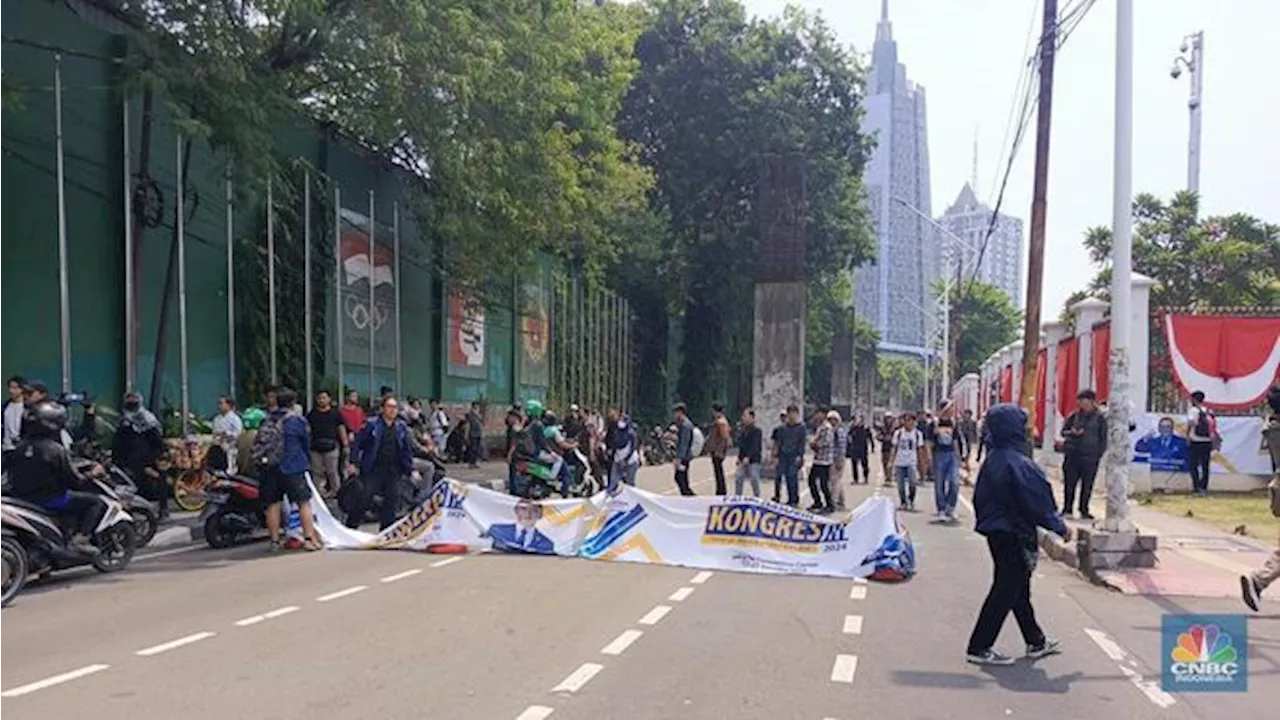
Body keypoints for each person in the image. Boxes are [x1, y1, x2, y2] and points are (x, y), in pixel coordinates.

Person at [965, 403, 1071, 665]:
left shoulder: (993, 460)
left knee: (1017, 589)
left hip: (996, 531)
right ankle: (979, 646)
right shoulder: (1018, 464)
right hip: (1014, 533)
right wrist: (1061, 527)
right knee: (1006, 589)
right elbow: (1037, 504)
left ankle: (1035, 640)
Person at [0, 401, 105, 553]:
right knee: (95, 502)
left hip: (20, 498)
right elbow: (75, 481)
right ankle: (80, 540)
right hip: (50, 500)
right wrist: (93, 474)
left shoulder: (18, 448)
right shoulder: (55, 450)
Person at [254, 388, 322, 551]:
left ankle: (274, 541)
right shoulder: (298, 421)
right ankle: (308, 539)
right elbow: (306, 443)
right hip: (294, 467)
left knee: (273, 504)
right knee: (303, 503)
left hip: (270, 468)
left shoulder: (267, 420)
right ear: (292, 403)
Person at [347, 394, 416, 530]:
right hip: (374, 468)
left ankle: (386, 532)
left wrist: (411, 469)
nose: (392, 410)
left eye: (395, 407)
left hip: (394, 468)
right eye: (389, 407)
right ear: (383, 408)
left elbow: (406, 450)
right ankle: (351, 526)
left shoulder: (401, 427)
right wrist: (353, 462)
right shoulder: (372, 424)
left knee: (392, 500)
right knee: (365, 497)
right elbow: (357, 444)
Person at [114, 391, 169, 518]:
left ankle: (163, 509)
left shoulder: (147, 418)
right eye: (129, 400)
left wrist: (160, 455)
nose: (131, 403)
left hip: (148, 457)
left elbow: (156, 438)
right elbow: (119, 440)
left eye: (133, 400)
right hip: (129, 458)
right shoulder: (124, 418)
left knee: (160, 479)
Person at [1060, 389, 1107, 518]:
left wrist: (1098, 454)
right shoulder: (1074, 416)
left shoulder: (1100, 418)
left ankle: (1084, 510)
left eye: (1083, 401)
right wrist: (1072, 433)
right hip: (1072, 455)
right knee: (1069, 484)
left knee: (1087, 486)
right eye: (1079, 401)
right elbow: (1063, 432)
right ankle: (1067, 509)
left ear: (1091, 401)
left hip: (1090, 457)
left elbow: (1103, 438)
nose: (1081, 404)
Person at [306, 390, 348, 499]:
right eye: (319, 398)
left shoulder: (335, 413)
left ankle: (337, 493)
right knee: (316, 472)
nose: (321, 400)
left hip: (331, 447)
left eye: (324, 398)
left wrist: (345, 444)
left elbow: (341, 428)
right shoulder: (312, 414)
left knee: (332, 472)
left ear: (329, 399)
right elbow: (307, 430)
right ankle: (318, 493)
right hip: (315, 447)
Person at [930, 401, 967, 522]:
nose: (952, 410)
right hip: (939, 454)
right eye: (950, 408)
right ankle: (941, 508)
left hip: (951, 455)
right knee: (939, 483)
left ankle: (950, 506)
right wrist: (929, 458)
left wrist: (960, 457)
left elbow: (956, 441)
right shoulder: (934, 423)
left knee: (955, 482)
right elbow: (929, 442)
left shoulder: (953, 423)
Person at [486, 498, 555, 554]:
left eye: (534, 510)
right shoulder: (497, 531)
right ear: (516, 511)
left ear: (540, 514)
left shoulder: (546, 543)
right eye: (524, 509)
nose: (528, 514)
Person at [1186, 390, 1217, 496]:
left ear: (1194, 399)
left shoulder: (1194, 410)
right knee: (1205, 465)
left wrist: (1187, 435)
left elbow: (1191, 423)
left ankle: (1196, 487)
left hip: (1196, 440)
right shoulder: (1208, 410)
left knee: (1193, 465)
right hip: (1207, 441)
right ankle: (1203, 488)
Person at [891, 413, 925, 511]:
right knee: (900, 484)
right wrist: (891, 461)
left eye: (910, 420)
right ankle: (903, 502)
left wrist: (921, 463)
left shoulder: (918, 434)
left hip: (912, 461)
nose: (908, 423)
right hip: (900, 461)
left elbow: (919, 449)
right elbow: (894, 447)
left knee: (912, 482)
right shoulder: (898, 433)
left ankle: (911, 499)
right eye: (906, 420)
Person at [776, 405, 806, 507]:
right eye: (790, 413)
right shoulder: (783, 428)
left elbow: (801, 443)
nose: (792, 416)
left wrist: (800, 455)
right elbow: (779, 442)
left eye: (794, 413)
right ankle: (789, 499)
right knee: (786, 477)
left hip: (794, 455)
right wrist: (776, 455)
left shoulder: (801, 428)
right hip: (784, 456)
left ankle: (794, 499)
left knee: (792, 476)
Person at [605, 408, 640, 492]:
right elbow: (612, 444)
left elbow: (633, 448)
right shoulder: (615, 432)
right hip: (618, 460)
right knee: (612, 483)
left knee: (630, 485)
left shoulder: (631, 434)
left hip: (631, 461)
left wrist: (625, 460)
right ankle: (609, 501)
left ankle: (631, 502)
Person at [808, 410, 834, 513]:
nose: (816, 415)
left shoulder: (827, 427)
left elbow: (826, 442)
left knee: (823, 483)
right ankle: (817, 502)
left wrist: (815, 444)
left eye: (818, 413)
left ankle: (829, 504)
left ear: (823, 414)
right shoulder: (820, 426)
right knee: (811, 480)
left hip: (825, 460)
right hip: (818, 459)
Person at [211, 395, 244, 474]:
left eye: (221, 403)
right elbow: (214, 432)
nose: (219, 406)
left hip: (230, 447)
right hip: (218, 446)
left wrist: (226, 434)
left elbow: (239, 433)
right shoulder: (216, 419)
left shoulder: (235, 419)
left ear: (229, 405)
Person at [735, 408, 763, 497]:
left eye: (745, 416)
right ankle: (738, 497)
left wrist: (748, 457)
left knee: (754, 479)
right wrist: (739, 458)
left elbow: (755, 446)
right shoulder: (743, 431)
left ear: (752, 417)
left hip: (754, 460)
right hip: (743, 459)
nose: (743, 418)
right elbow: (741, 446)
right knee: (738, 477)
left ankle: (757, 497)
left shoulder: (757, 431)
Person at [706, 404, 732, 495]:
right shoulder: (719, 421)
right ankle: (720, 490)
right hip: (716, 450)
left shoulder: (721, 422)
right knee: (717, 471)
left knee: (719, 472)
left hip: (717, 451)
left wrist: (719, 451)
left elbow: (724, 437)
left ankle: (721, 491)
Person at [672, 403, 696, 496]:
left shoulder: (686, 425)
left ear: (681, 412)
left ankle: (690, 498)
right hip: (684, 456)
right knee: (680, 478)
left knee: (681, 478)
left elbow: (684, 443)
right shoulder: (683, 424)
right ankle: (687, 496)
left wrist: (679, 458)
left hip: (684, 457)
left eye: (676, 413)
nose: (674, 415)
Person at [1, 375, 26, 459]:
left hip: (23, 449)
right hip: (6, 449)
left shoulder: (28, 408)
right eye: (10, 387)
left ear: (22, 389)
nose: (11, 391)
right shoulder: (4, 408)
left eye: (15, 388)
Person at [828, 410, 847, 510]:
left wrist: (839, 460)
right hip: (830, 459)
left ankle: (833, 502)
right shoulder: (830, 430)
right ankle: (841, 501)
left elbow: (842, 447)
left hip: (838, 459)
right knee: (836, 481)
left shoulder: (839, 431)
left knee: (834, 481)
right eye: (830, 419)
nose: (831, 422)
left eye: (833, 420)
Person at [846, 414, 873, 485]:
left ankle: (866, 478)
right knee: (854, 464)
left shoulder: (866, 428)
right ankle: (855, 479)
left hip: (863, 449)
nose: (859, 421)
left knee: (864, 464)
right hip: (854, 448)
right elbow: (848, 437)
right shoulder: (853, 428)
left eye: (860, 419)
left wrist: (872, 447)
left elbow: (870, 438)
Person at [770, 411, 787, 502]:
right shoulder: (777, 429)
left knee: (789, 477)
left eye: (785, 416)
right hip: (779, 456)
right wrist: (773, 455)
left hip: (788, 456)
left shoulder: (792, 429)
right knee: (778, 477)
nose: (783, 418)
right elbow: (775, 443)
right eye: (782, 417)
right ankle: (777, 495)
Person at [877, 414, 897, 487]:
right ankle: (886, 477)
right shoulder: (882, 428)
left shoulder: (895, 428)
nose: (888, 420)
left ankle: (890, 478)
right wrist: (883, 438)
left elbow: (897, 437)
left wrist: (891, 438)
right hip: (884, 447)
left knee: (890, 463)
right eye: (887, 418)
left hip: (892, 447)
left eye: (890, 418)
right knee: (884, 463)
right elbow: (878, 436)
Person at [959, 409, 979, 483]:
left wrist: (975, 441)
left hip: (969, 442)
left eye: (968, 414)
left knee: (968, 458)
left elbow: (975, 432)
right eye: (965, 414)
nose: (966, 415)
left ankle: (967, 475)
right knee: (962, 459)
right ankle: (965, 475)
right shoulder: (960, 422)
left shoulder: (973, 422)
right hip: (961, 442)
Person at [465, 401, 484, 468]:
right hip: (473, 433)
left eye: (477, 406)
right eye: (475, 405)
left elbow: (481, 424)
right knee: (473, 448)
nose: (477, 407)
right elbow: (468, 424)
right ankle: (471, 462)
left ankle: (476, 461)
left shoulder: (479, 414)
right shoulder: (470, 414)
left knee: (478, 448)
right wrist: (466, 434)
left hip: (479, 433)